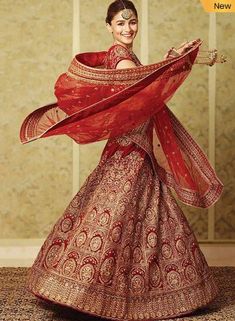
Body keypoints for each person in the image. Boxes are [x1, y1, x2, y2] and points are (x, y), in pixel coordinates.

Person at [21, 0, 224, 320]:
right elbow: (141, 87)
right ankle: (88, 287)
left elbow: (145, 86)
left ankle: (137, 285)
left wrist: (176, 61)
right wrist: (177, 61)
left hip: (134, 143)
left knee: (149, 211)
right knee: (118, 214)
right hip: (131, 147)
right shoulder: (120, 57)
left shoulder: (125, 57)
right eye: (121, 23)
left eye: (132, 22)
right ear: (109, 27)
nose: (128, 29)